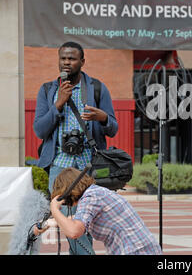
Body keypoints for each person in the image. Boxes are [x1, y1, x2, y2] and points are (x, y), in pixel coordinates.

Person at [33, 41, 118, 254]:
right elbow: (39, 131)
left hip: (88, 168)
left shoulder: (97, 88)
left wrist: (103, 117)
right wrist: (58, 105)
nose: (67, 62)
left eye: (71, 58)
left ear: (82, 61)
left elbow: (113, 128)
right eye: (63, 58)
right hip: (59, 167)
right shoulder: (47, 90)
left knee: (81, 225)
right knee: (70, 224)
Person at [44, 167, 162, 255]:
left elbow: (74, 231)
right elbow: (75, 219)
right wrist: (47, 223)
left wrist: (54, 209)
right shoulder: (95, 193)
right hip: (138, 249)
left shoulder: (91, 197)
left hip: (136, 251)